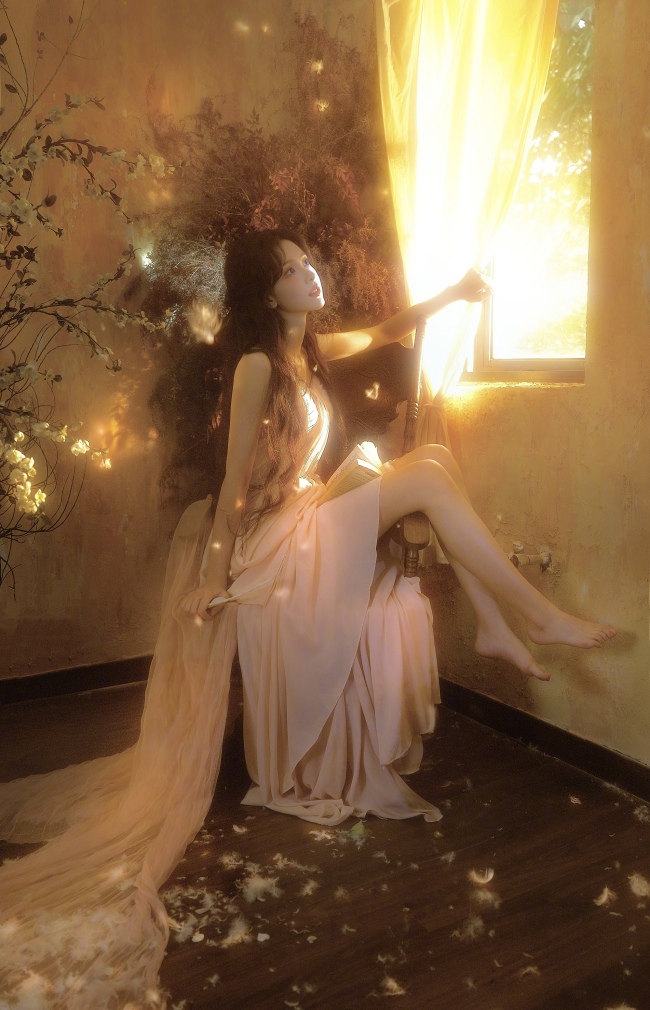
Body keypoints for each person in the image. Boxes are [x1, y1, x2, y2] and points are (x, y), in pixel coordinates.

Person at [0, 227, 616, 1007]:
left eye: (307, 263)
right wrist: (213, 576)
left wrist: (458, 293)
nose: (311, 273)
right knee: (428, 478)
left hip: (308, 510)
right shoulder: (258, 365)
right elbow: (232, 486)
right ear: (268, 292)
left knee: (434, 460)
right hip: (272, 537)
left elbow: (390, 329)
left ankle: (497, 624)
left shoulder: (309, 349)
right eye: (292, 270)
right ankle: (534, 616)